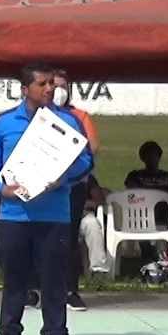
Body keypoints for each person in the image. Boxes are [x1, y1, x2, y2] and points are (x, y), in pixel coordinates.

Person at [0, 61, 94, 335]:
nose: (50, 89)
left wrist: (64, 177)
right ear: (24, 89)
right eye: (42, 84)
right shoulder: (5, 123)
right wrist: (0, 187)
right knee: (14, 278)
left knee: (54, 277)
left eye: (52, 84)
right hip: (13, 214)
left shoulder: (67, 122)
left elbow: (85, 161)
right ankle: (9, 334)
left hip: (53, 214)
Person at [48, 70, 101, 312]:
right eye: (52, 84)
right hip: (40, 186)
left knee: (68, 238)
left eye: (62, 86)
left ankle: (70, 290)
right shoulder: (35, 115)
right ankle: (33, 288)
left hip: (72, 186)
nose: (57, 90)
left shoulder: (79, 116)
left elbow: (92, 149)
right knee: (36, 236)